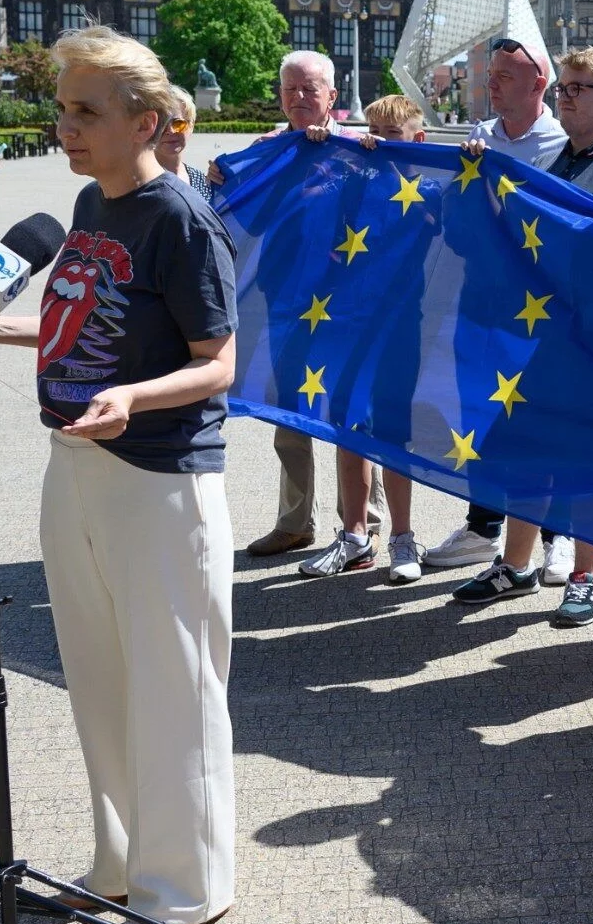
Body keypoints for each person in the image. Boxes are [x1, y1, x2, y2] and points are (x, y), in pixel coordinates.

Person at [0, 24, 242, 924]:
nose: (66, 127)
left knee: (172, 687)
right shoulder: (89, 209)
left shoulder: (180, 218)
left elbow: (218, 363)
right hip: (76, 467)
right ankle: (122, 864)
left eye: (86, 111)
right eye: (63, 109)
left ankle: (185, 886)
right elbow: (75, 323)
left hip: (159, 480)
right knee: (99, 680)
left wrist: (132, 398)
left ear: (146, 121)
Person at [451, 47, 593, 629]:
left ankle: (586, 577)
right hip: (545, 334)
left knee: (590, 463)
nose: (565, 98)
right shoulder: (556, 162)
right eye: (564, 87)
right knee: (527, 448)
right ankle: (516, 566)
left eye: (578, 88)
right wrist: (480, 173)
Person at [423, 36, 569, 573]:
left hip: (540, 308)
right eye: (491, 75)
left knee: (541, 417)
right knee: (478, 410)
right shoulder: (478, 138)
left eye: (504, 75)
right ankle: (483, 526)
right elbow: (451, 214)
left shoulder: (561, 145)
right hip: (481, 298)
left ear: (538, 84)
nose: (492, 84)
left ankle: (558, 532)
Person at [228, 51, 377, 557]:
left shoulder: (362, 149)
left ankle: (364, 523)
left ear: (333, 97)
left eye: (309, 89)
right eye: (289, 89)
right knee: (286, 410)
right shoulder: (269, 150)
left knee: (350, 409)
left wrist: (352, 156)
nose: (297, 98)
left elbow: (389, 216)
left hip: (346, 302)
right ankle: (295, 522)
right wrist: (232, 172)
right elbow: (245, 218)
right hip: (285, 296)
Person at [298, 94, 430, 582]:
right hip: (346, 323)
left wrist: (474, 165)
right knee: (347, 427)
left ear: (418, 139)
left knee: (394, 433)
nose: (378, 141)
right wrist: (317, 146)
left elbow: (467, 230)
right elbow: (305, 193)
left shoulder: (432, 188)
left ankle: (402, 536)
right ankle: (354, 535)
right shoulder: (353, 180)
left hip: (401, 329)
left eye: (391, 134)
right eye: (371, 131)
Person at [157, 84, 212, 197]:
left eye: (178, 123)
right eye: (162, 124)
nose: (171, 131)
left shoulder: (202, 181)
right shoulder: (137, 181)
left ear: (191, 126)